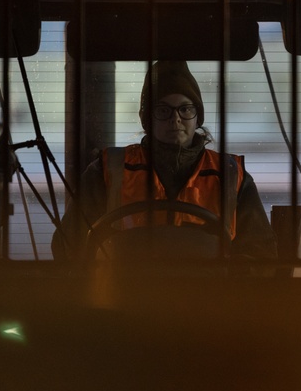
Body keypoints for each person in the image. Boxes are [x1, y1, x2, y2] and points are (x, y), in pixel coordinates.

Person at [51, 60, 277, 263]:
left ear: (197, 116)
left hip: (209, 300)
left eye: (185, 109)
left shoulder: (231, 176)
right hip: (124, 298)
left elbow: (260, 255)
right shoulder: (107, 170)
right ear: (147, 118)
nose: (175, 118)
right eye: (163, 110)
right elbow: (70, 245)